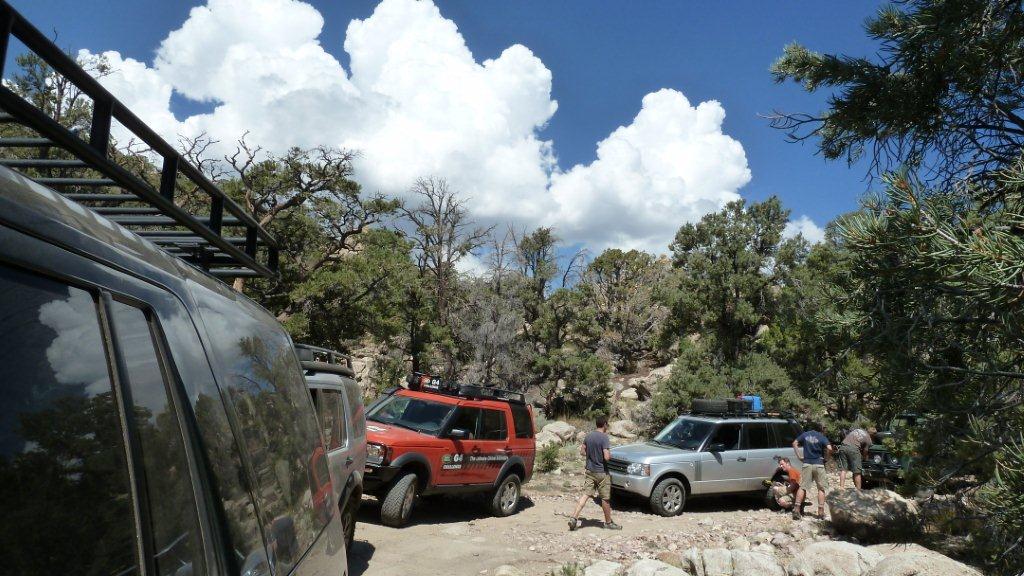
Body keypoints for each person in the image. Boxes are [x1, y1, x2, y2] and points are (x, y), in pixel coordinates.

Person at [568, 415, 622, 531]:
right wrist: (609, 455)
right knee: (605, 498)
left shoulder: (589, 436)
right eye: (607, 424)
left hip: (590, 471)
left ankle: (574, 518)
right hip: (602, 472)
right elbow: (606, 457)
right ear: (605, 424)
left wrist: (591, 454)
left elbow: (582, 452)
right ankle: (608, 523)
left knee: (586, 495)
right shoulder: (604, 438)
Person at [792, 422, 833, 520]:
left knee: (803, 487)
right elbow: (830, 448)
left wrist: (799, 456)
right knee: (821, 488)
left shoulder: (805, 435)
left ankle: (796, 509)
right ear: (820, 429)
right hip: (819, 464)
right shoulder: (821, 436)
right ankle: (820, 512)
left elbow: (794, 443)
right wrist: (827, 458)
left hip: (807, 463)